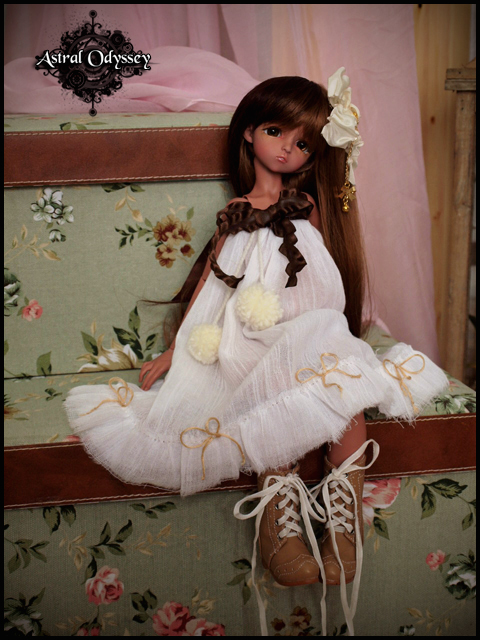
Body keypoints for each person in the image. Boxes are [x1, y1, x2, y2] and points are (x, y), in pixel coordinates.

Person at [65, 69, 449, 636]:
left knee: (344, 394)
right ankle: (279, 515)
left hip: (314, 327)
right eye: (275, 132)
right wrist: (178, 350)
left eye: (303, 143)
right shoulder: (237, 214)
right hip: (253, 334)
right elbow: (212, 283)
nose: (287, 149)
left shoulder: (309, 205)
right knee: (269, 395)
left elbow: (328, 275)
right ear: (249, 133)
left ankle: (343, 524)